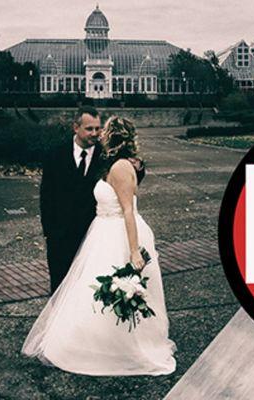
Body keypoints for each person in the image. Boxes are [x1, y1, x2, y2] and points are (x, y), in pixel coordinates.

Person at [22, 116, 176, 376]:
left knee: (114, 289)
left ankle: (120, 344)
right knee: (92, 289)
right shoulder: (113, 164)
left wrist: (134, 250)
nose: (99, 134)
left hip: (118, 233)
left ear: (113, 136)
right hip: (102, 232)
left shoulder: (120, 168)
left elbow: (128, 211)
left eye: (103, 131)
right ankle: (99, 338)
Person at [40, 106, 102, 293]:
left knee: (88, 290)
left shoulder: (105, 156)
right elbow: (46, 196)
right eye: (89, 129)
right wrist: (50, 231)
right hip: (60, 237)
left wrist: (138, 165)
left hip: (92, 237)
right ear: (76, 128)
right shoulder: (55, 155)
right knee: (59, 288)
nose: (95, 133)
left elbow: (130, 174)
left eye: (98, 129)